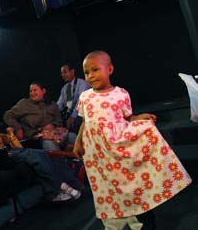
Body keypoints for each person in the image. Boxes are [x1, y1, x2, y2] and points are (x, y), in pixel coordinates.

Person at [74, 51, 192, 230]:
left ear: (110, 69)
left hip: (117, 146)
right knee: (108, 186)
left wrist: (139, 118)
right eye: (87, 72)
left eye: (95, 70)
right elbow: (85, 122)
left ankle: (141, 215)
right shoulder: (85, 97)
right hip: (98, 153)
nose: (91, 75)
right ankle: (118, 220)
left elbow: (127, 118)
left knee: (128, 182)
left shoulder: (121, 94)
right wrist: (78, 141)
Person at [0, 109, 83, 202]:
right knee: (37, 157)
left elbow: (15, 142)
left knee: (46, 155)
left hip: (13, 152)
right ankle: (55, 190)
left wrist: (11, 133)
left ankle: (71, 184)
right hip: (1, 158)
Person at [3, 81, 76, 151]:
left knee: (73, 137)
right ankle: (59, 163)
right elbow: (7, 115)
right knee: (50, 144)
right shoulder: (24, 104)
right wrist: (18, 128)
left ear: (43, 91)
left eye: (35, 90)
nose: (32, 93)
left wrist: (53, 125)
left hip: (54, 133)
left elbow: (59, 120)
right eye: (30, 91)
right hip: (35, 137)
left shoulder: (52, 104)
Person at [57, 63, 90, 133]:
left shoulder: (82, 84)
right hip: (69, 115)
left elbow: (81, 102)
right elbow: (60, 104)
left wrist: (73, 116)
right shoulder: (64, 88)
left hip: (81, 114)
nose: (63, 75)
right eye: (62, 73)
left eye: (65, 72)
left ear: (72, 71)